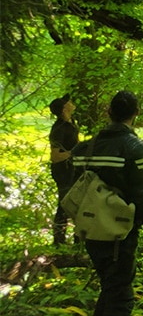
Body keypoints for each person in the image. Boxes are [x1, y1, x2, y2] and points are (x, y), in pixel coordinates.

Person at [70, 90, 143, 316]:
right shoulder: (134, 148)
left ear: (108, 112)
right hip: (119, 233)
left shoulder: (84, 148)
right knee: (120, 295)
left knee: (110, 287)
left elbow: (74, 187)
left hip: (90, 230)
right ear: (137, 113)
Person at [48, 93, 79, 246]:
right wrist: (75, 152)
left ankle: (77, 239)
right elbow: (55, 156)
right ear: (64, 108)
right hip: (63, 172)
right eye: (68, 102)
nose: (71, 102)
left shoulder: (71, 124)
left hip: (72, 170)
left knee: (76, 203)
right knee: (64, 204)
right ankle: (59, 241)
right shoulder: (59, 129)